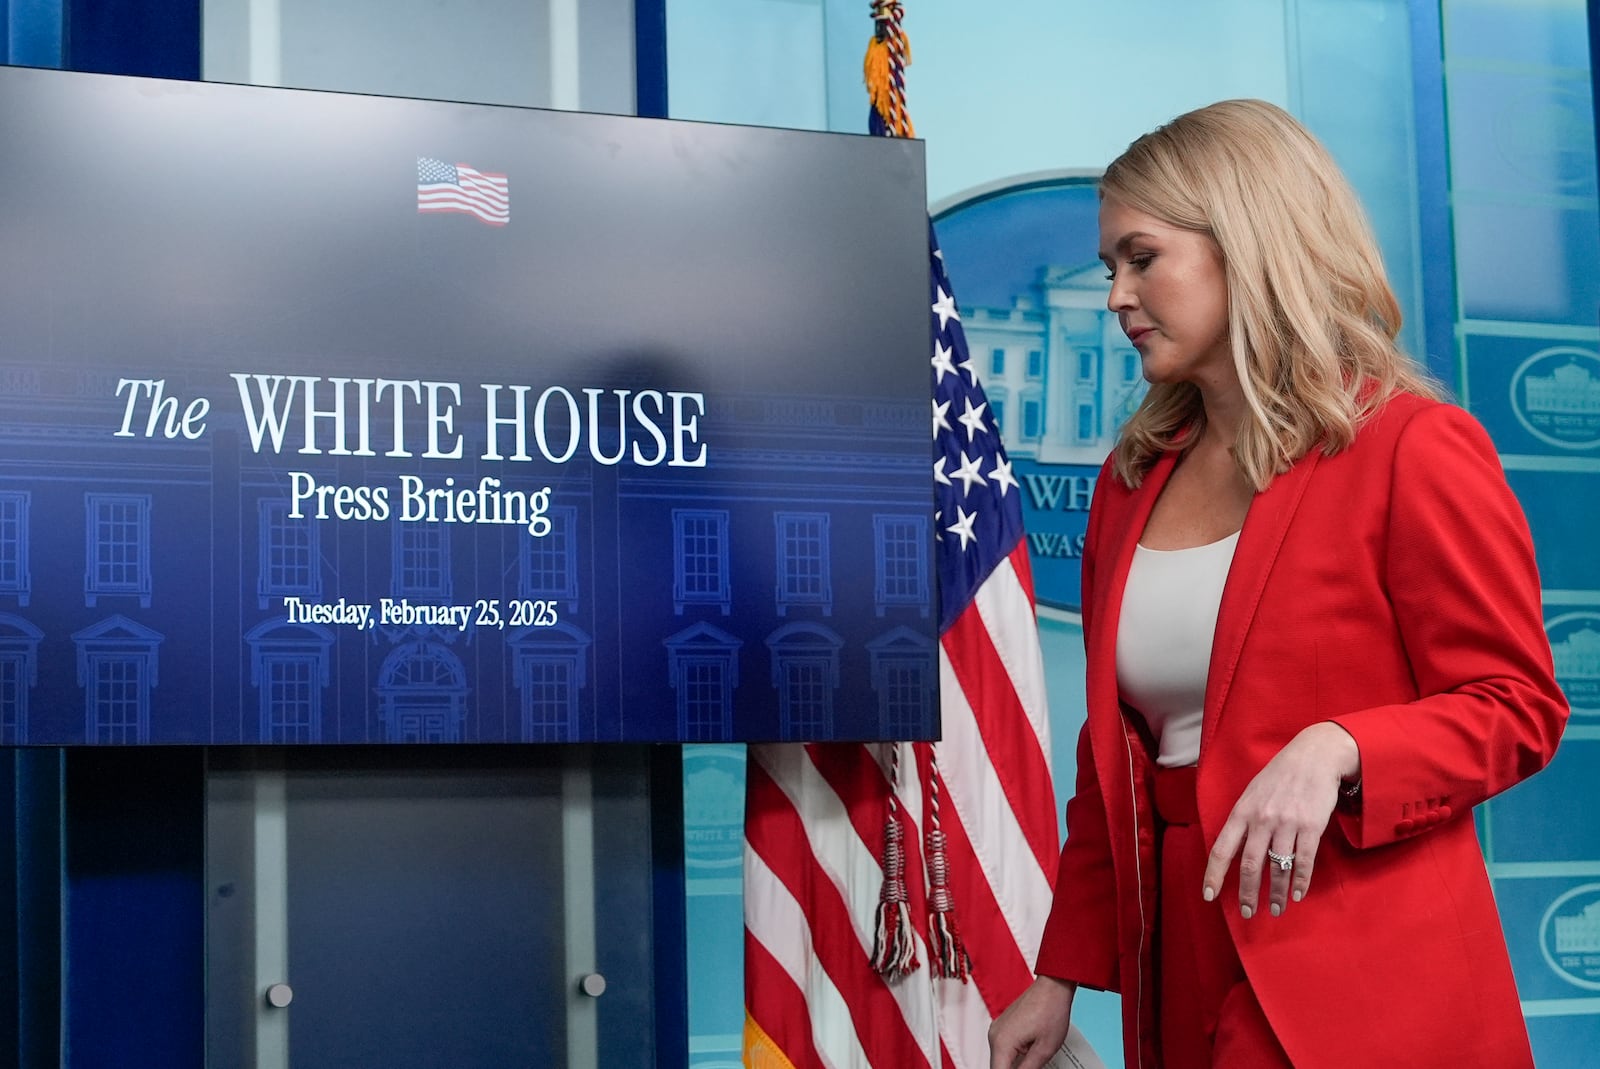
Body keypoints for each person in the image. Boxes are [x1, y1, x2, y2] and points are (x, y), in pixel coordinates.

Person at [987, 99, 1569, 1069]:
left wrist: (1342, 743)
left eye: (1141, 258)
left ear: (1243, 243)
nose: (1116, 296)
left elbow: (1517, 706)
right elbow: (1111, 764)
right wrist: (1061, 972)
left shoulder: (1410, 447)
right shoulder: (1129, 482)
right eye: (1107, 269)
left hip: (1364, 969)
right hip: (1176, 952)